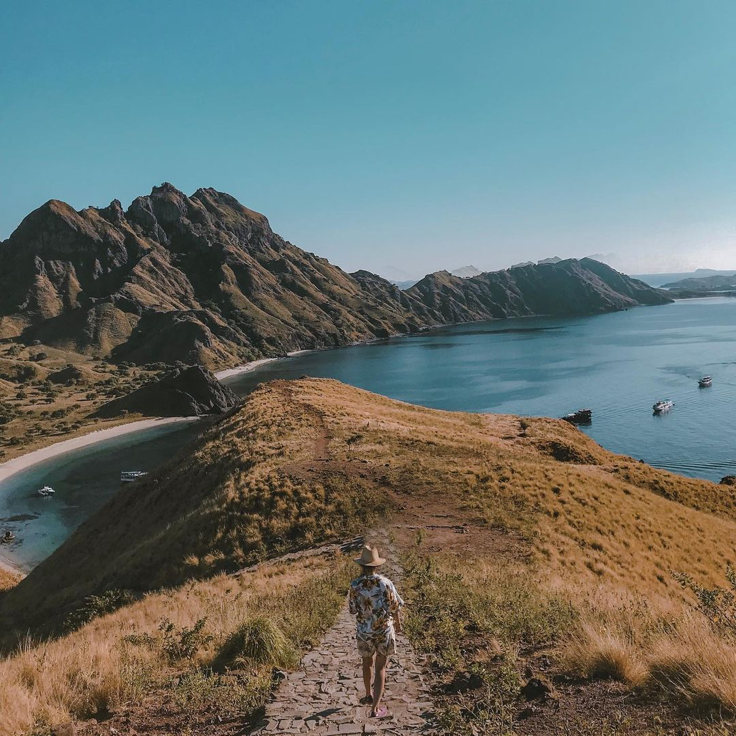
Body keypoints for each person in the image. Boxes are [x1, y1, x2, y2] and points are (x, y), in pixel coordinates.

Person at [348, 544, 405, 719]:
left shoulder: (355, 585)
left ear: (361, 565)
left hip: (364, 631)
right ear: (377, 565)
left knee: (367, 663)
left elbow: (352, 609)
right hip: (383, 630)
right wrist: (398, 624)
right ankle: (375, 708)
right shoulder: (386, 583)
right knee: (381, 668)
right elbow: (395, 606)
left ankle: (368, 694)